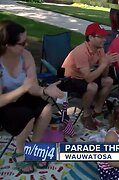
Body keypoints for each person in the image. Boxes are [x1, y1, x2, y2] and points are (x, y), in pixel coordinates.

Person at [0, 20, 64, 173]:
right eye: (22, 43)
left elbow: (32, 86)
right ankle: (19, 151)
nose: (26, 45)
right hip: (4, 102)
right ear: (8, 45)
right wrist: (23, 89)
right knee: (26, 116)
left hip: (23, 95)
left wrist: (45, 91)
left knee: (47, 109)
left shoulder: (26, 56)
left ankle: (34, 148)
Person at [62, 22, 117, 130]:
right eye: (100, 37)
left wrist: (106, 64)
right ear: (90, 37)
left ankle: (97, 110)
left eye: (104, 36)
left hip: (84, 76)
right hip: (69, 79)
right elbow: (89, 78)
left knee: (108, 81)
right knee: (92, 86)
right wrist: (104, 63)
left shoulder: (100, 49)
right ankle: (86, 115)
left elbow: (104, 74)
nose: (104, 39)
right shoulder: (81, 51)